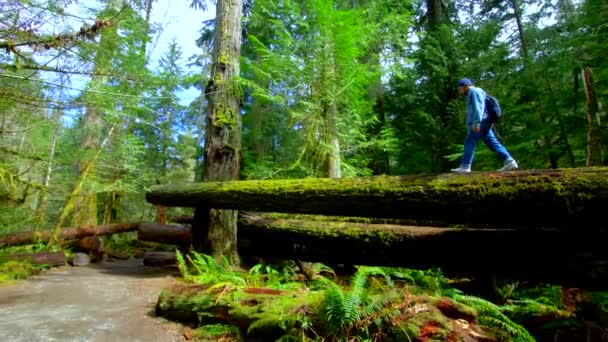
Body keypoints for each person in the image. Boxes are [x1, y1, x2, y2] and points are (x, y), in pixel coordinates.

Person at [451, 78, 518, 173]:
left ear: (465, 86)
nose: (459, 90)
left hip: (481, 122)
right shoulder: (471, 93)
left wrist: (476, 123)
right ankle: (509, 161)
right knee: (492, 142)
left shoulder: (474, 92)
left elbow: (479, 109)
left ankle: (465, 166)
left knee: (470, 142)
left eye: (459, 88)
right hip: (484, 122)